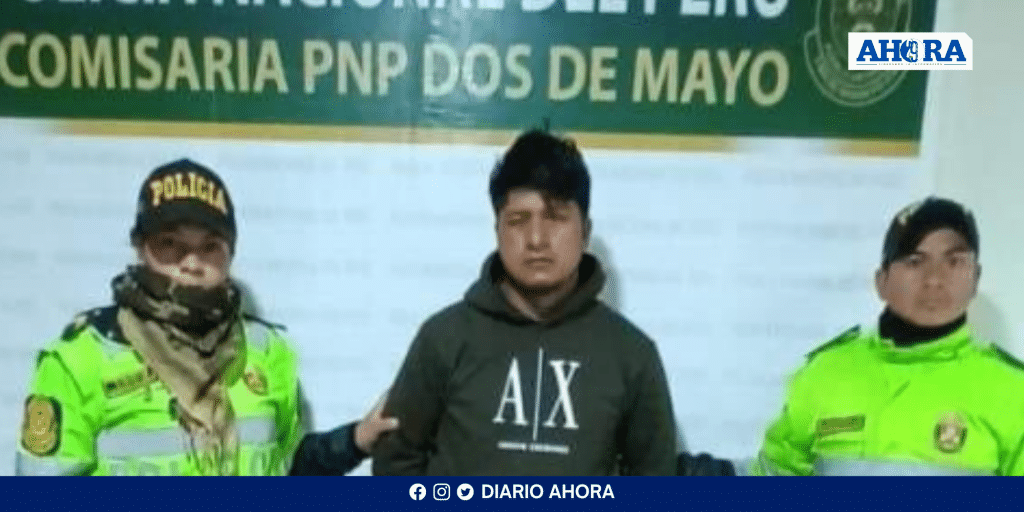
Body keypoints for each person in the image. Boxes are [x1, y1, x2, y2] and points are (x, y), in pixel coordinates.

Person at [16, 159, 395, 476]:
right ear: (140, 247)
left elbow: (287, 468)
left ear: (231, 254)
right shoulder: (82, 358)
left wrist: (356, 439)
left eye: (210, 246)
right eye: (170, 244)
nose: (192, 263)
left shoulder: (267, 351)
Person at [372, 130, 678, 476]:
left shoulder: (632, 356)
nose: (536, 239)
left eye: (555, 218)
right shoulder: (443, 339)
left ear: (585, 232)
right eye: (518, 221)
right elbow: (394, 465)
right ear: (497, 231)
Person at [751, 197, 1024, 476]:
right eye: (915, 261)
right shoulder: (824, 373)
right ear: (881, 281)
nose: (934, 279)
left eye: (954, 262)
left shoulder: (1014, 392)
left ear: (976, 278)